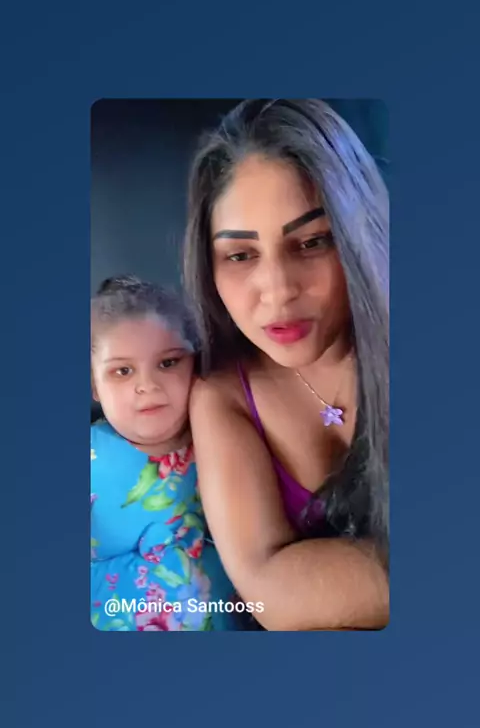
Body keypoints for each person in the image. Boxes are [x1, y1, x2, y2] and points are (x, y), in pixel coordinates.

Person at [184, 99, 389, 631]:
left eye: (312, 242)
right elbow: (268, 592)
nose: (277, 291)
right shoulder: (222, 397)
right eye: (240, 255)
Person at [90, 275, 242, 631]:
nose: (147, 385)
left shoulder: (228, 438)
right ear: (95, 385)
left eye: (168, 363)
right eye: (122, 371)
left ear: (195, 363)